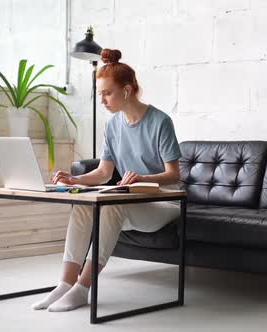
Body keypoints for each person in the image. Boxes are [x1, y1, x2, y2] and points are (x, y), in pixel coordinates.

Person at [32, 48, 183, 312]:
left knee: (113, 204)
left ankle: (83, 288)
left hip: (163, 203)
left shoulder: (161, 122)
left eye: (107, 93)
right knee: (83, 204)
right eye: (99, 93)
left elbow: (174, 175)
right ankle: (65, 284)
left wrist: (142, 178)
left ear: (126, 91)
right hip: (131, 199)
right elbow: (103, 172)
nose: (101, 100)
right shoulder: (113, 125)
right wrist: (74, 179)